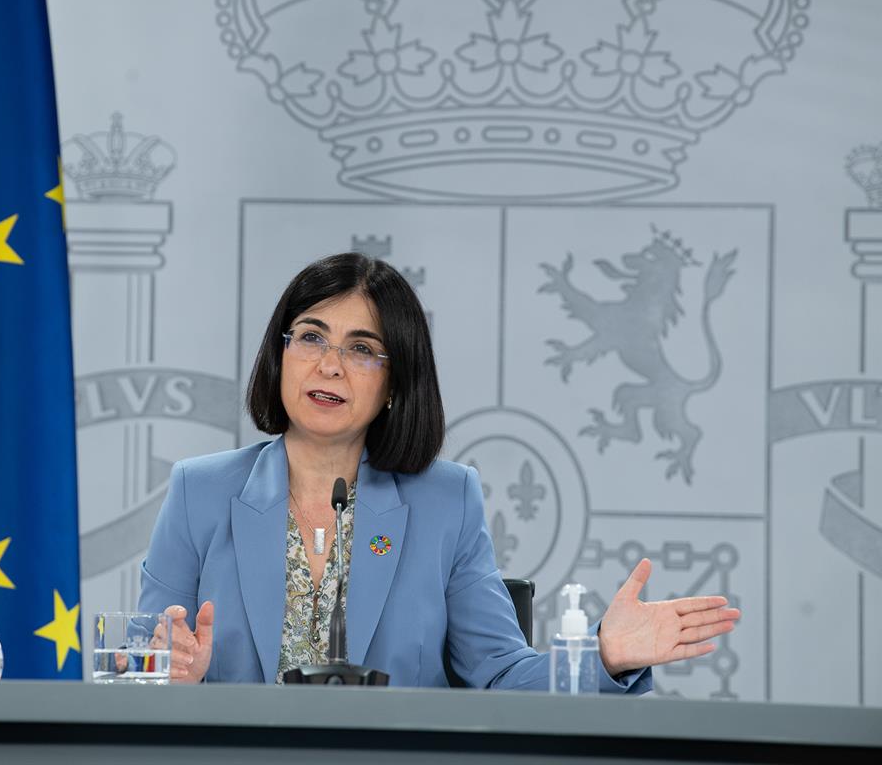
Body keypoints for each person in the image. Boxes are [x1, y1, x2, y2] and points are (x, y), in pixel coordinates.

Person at [138, 253, 739, 689]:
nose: (329, 366)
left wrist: (605, 657)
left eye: (361, 349)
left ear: (396, 384)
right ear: (279, 353)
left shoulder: (445, 500)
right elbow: (145, 660)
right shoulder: (201, 491)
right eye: (311, 338)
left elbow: (502, 672)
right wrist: (165, 676)